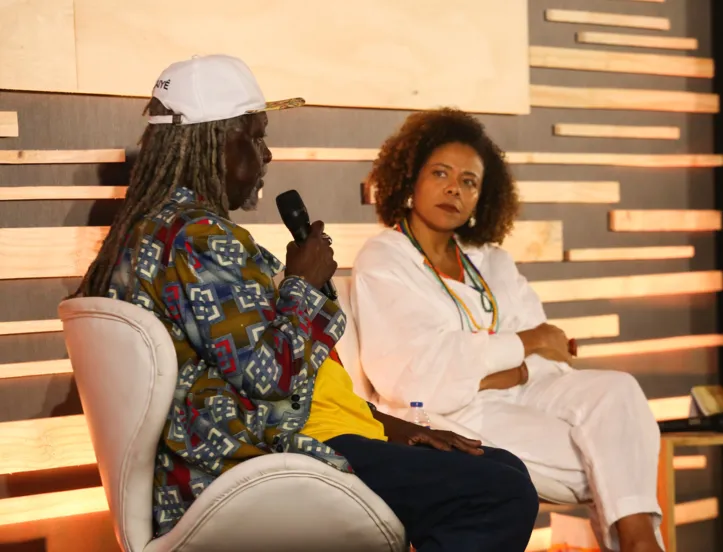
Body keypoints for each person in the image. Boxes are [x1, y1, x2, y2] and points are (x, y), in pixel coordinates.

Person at [73, 55, 539, 551]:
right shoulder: (197, 239)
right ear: (215, 142)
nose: (267, 155)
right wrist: (303, 282)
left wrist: (386, 424)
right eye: (255, 136)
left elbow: (271, 374)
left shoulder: (158, 230)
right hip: (253, 458)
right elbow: (270, 377)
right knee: (500, 492)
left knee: (500, 467)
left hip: (271, 436)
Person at [352, 109, 664, 552]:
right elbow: (419, 374)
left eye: (469, 181)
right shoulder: (385, 258)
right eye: (440, 173)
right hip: (450, 414)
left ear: (483, 195)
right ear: (410, 179)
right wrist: (523, 344)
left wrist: (508, 369)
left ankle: (640, 543)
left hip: (521, 390)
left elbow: (553, 359)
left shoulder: (491, 260)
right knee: (614, 462)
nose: (453, 189)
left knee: (618, 392)